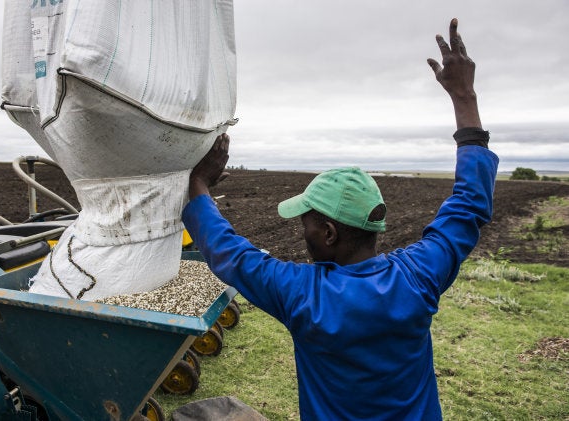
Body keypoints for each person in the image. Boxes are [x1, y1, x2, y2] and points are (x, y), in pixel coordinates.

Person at [182, 18, 499, 420]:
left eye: (307, 223)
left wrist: (198, 183)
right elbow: (469, 205)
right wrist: (464, 96)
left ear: (328, 233)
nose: (302, 232)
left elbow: (229, 253)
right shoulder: (418, 276)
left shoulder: (302, 295)